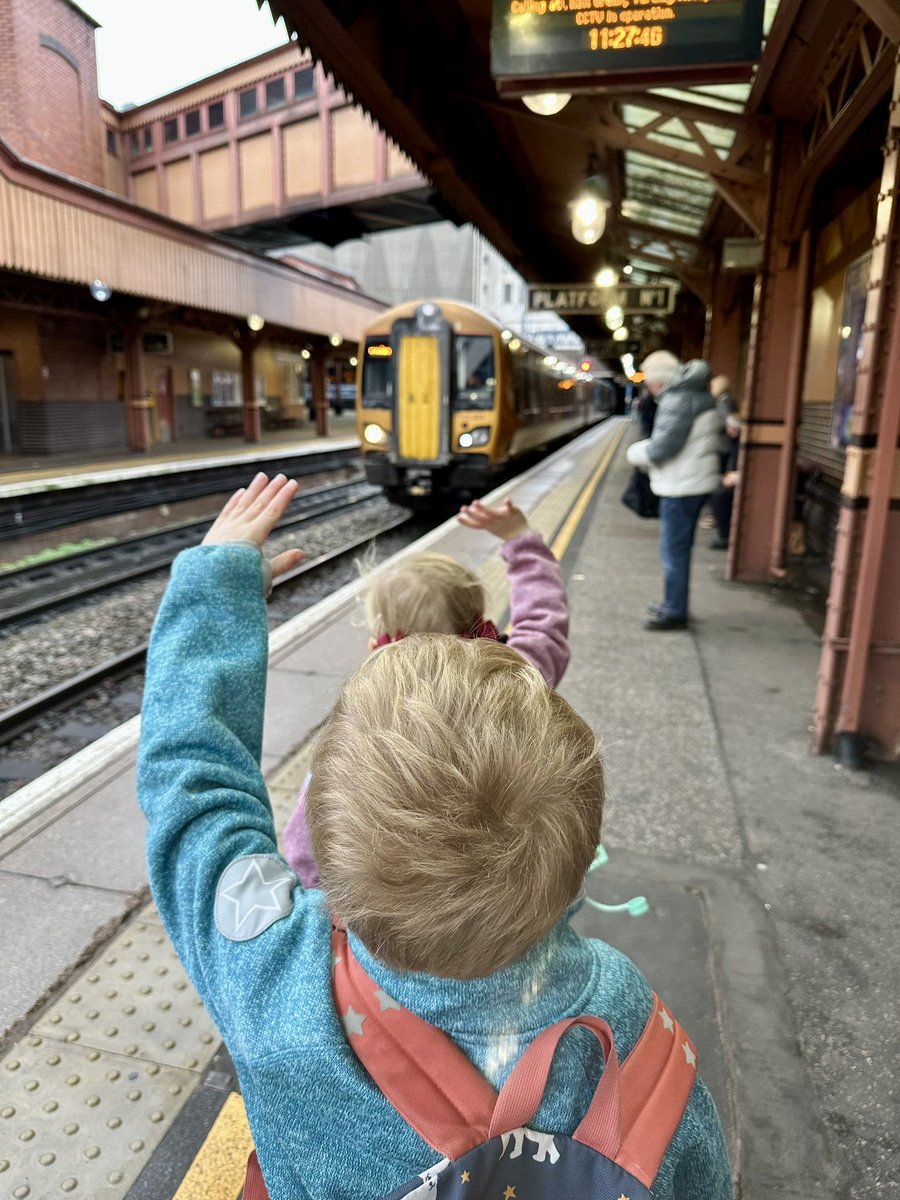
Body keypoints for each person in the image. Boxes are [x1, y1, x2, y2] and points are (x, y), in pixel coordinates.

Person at [137, 473, 733, 1200]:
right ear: (575, 865)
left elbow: (192, 785)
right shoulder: (621, 1014)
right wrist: (520, 540)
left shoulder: (270, 977)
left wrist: (217, 586)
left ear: (329, 849)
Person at [283, 495, 569, 886]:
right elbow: (543, 620)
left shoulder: (358, 738)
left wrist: (321, 907)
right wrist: (519, 538)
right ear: (480, 626)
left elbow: (307, 846)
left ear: (378, 647)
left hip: (400, 915)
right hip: (501, 891)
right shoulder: (521, 679)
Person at [626, 351, 721, 630]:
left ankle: (674, 610)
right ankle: (673, 602)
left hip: (682, 485)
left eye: (650, 381)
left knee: (673, 551)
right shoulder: (694, 394)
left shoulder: (677, 398)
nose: (649, 388)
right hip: (693, 481)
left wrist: (635, 452)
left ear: (659, 381)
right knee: (680, 549)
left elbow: (662, 448)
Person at [709, 413, 742, 550]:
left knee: (720, 496)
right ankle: (723, 531)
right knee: (716, 490)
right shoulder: (734, 442)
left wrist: (737, 476)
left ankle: (725, 536)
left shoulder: (739, 442)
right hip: (734, 477)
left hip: (739, 479)